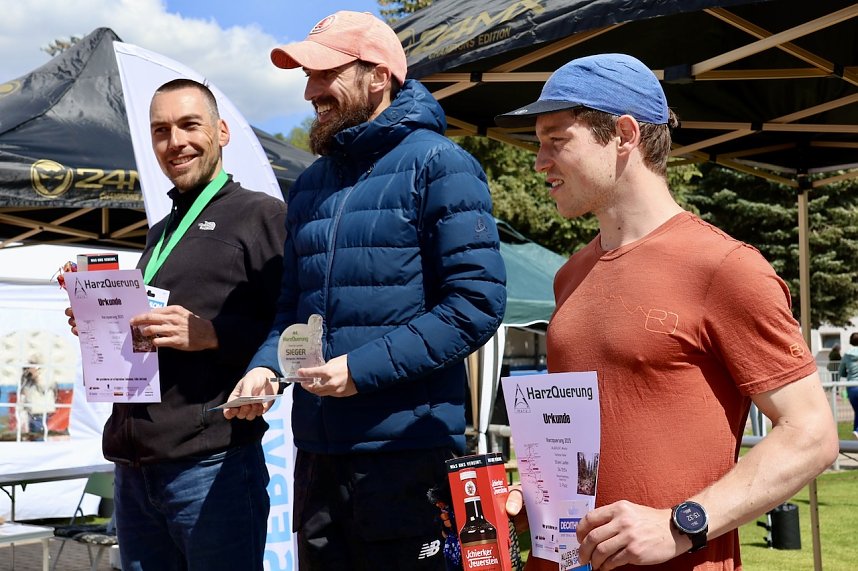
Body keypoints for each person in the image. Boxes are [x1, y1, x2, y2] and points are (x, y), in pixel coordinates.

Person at [495, 53, 839, 570]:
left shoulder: (725, 267)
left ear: (625, 134)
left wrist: (681, 523)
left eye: (556, 140)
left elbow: (811, 433)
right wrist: (543, 493)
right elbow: (597, 432)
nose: (539, 161)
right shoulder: (571, 274)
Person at [224, 11, 507, 570]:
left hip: (407, 456)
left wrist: (360, 369)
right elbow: (291, 311)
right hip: (318, 454)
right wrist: (266, 367)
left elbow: (476, 303)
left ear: (378, 76)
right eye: (306, 76)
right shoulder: (309, 184)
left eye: (325, 73)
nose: (309, 91)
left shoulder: (439, 163)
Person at [65, 79, 285, 570]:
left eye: (190, 125)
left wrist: (212, 335)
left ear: (222, 131)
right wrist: (100, 321)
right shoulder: (160, 231)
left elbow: (296, 330)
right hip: (133, 468)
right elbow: (152, 330)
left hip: (211, 468)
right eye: (161, 130)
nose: (175, 141)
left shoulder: (261, 215)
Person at [837, 333, 858, 439]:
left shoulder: (847, 355)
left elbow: (841, 372)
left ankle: (856, 430)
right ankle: (856, 430)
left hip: (851, 387)